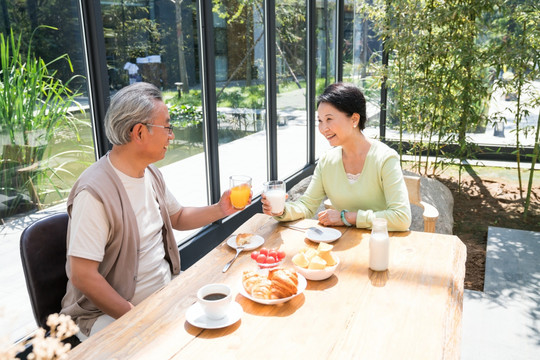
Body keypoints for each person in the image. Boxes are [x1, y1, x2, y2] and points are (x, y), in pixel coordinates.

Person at [60, 82, 249, 340]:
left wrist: (220, 209)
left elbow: (178, 217)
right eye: (167, 126)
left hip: (163, 296)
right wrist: (136, 317)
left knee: (229, 317)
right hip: (108, 315)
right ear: (139, 132)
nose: (171, 135)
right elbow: (82, 276)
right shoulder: (94, 194)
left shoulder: (149, 172)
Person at [262, 82, 411, 231]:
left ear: (354, 120)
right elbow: (306, 206)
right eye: (320, 121)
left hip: (381, 242)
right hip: (343, 242)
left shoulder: (385, 158)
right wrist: (281, 210)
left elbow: (401, 217)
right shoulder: (327, 161)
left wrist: (347, 217)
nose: (323, 128)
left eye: (329, 119)